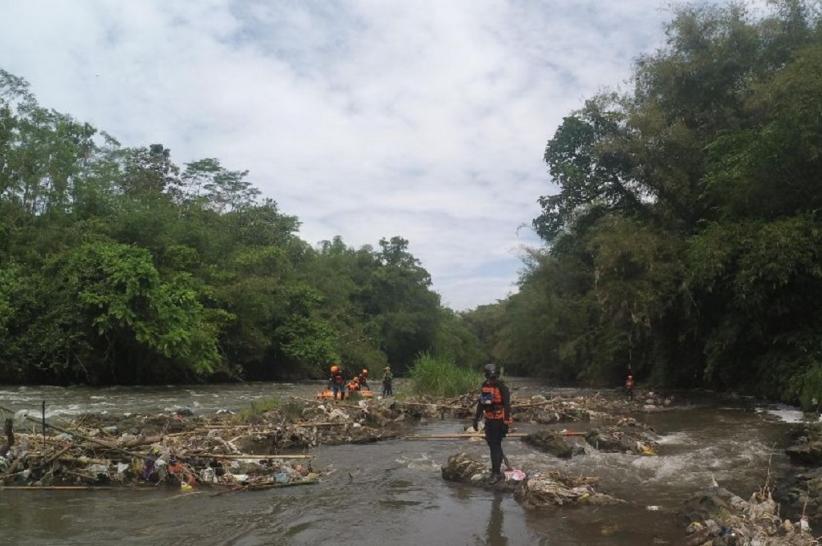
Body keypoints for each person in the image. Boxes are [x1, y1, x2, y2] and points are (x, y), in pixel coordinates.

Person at [472, 363, 512, 483]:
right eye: (490, 377)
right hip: (490, 419)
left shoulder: (502, 387)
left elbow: (507, 406)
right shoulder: (486, 386)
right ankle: (496, 469)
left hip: (499, 420)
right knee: (493, 444)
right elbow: (483, 404)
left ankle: (496, 473)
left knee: (495, 445)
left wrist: (506, 422)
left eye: (493, 377)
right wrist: (476, 419)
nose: (491, 379)